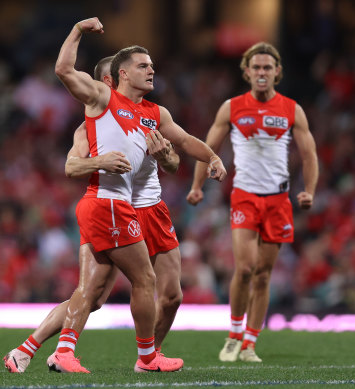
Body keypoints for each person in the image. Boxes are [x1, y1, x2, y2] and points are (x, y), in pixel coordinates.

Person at [44, 17, 227, 373]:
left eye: (153, 65)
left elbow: (183, 146)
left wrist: (213, 156)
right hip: (111, 204)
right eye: (143, 66)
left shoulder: (154, 113)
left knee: (165, 294)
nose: (151, 70)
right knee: (108, 289)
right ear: (121, 74)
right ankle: (139, 357)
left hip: (143, 207)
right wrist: (78, 30)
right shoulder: (102, 98)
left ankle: (132, 354)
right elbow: (64, 69)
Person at [3, 56, 184, 373]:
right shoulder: (92, 124)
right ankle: (147, 358)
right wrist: (101, 163)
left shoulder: (140, 117)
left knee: (91, 295)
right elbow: (71, 166)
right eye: (112, 80)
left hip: (125, 209)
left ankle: (26, 350)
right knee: (143, 281)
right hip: (109, 210)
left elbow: (172, 159)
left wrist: (172, 157)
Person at [187, 42, 318, 362]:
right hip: (244, 197)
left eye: (267, 68)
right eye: (256, 67)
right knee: (244, 269)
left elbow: (309, 153)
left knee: (262, 274)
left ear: (277, 72)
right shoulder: (231, 108)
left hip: (278, 200)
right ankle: (233, 335)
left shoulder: (292, 109)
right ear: (246, 72)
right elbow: (207, 148)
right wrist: (196, 186)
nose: (262, 72)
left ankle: (250, 344)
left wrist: (309, 190)